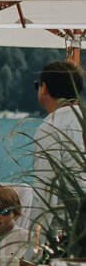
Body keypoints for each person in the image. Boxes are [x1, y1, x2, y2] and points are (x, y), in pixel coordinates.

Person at [30, 59, 85, 235]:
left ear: (44, 88)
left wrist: (33, 251)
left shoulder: (51, 128)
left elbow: (45, 195)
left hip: (69, 232)